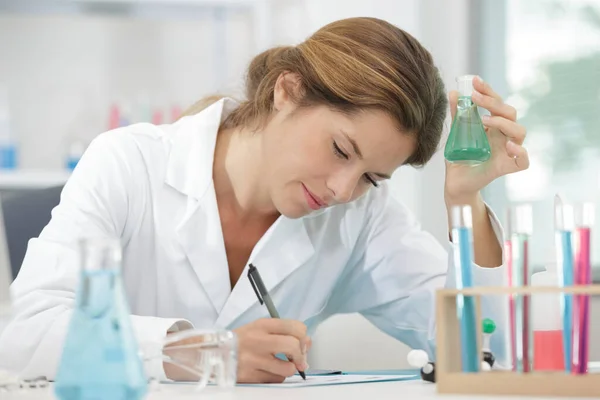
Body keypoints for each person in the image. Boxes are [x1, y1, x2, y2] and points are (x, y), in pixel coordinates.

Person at [0, 17, 528, 383]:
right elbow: (25, 334)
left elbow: (485, 355)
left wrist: (466, 200)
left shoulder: (359, 217)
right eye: (341, 149)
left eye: (371, 177)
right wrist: (203, 353)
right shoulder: (129, 163)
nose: (343, 190)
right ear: (287, 91)